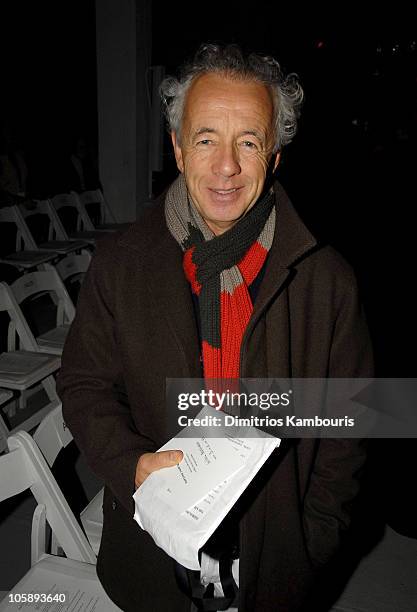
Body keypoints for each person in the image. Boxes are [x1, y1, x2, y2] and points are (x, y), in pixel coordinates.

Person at [58, 43, 373, 611]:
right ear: (177, 149)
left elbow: (350, 421)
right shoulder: (120, 264)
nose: (226, 166)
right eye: (205, 139)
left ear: (273, 156)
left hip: (275, 559)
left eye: (248, 142)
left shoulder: (329, 282)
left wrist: (312, 538)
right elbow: (83, 385)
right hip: (149, 557)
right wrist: (132, 465)